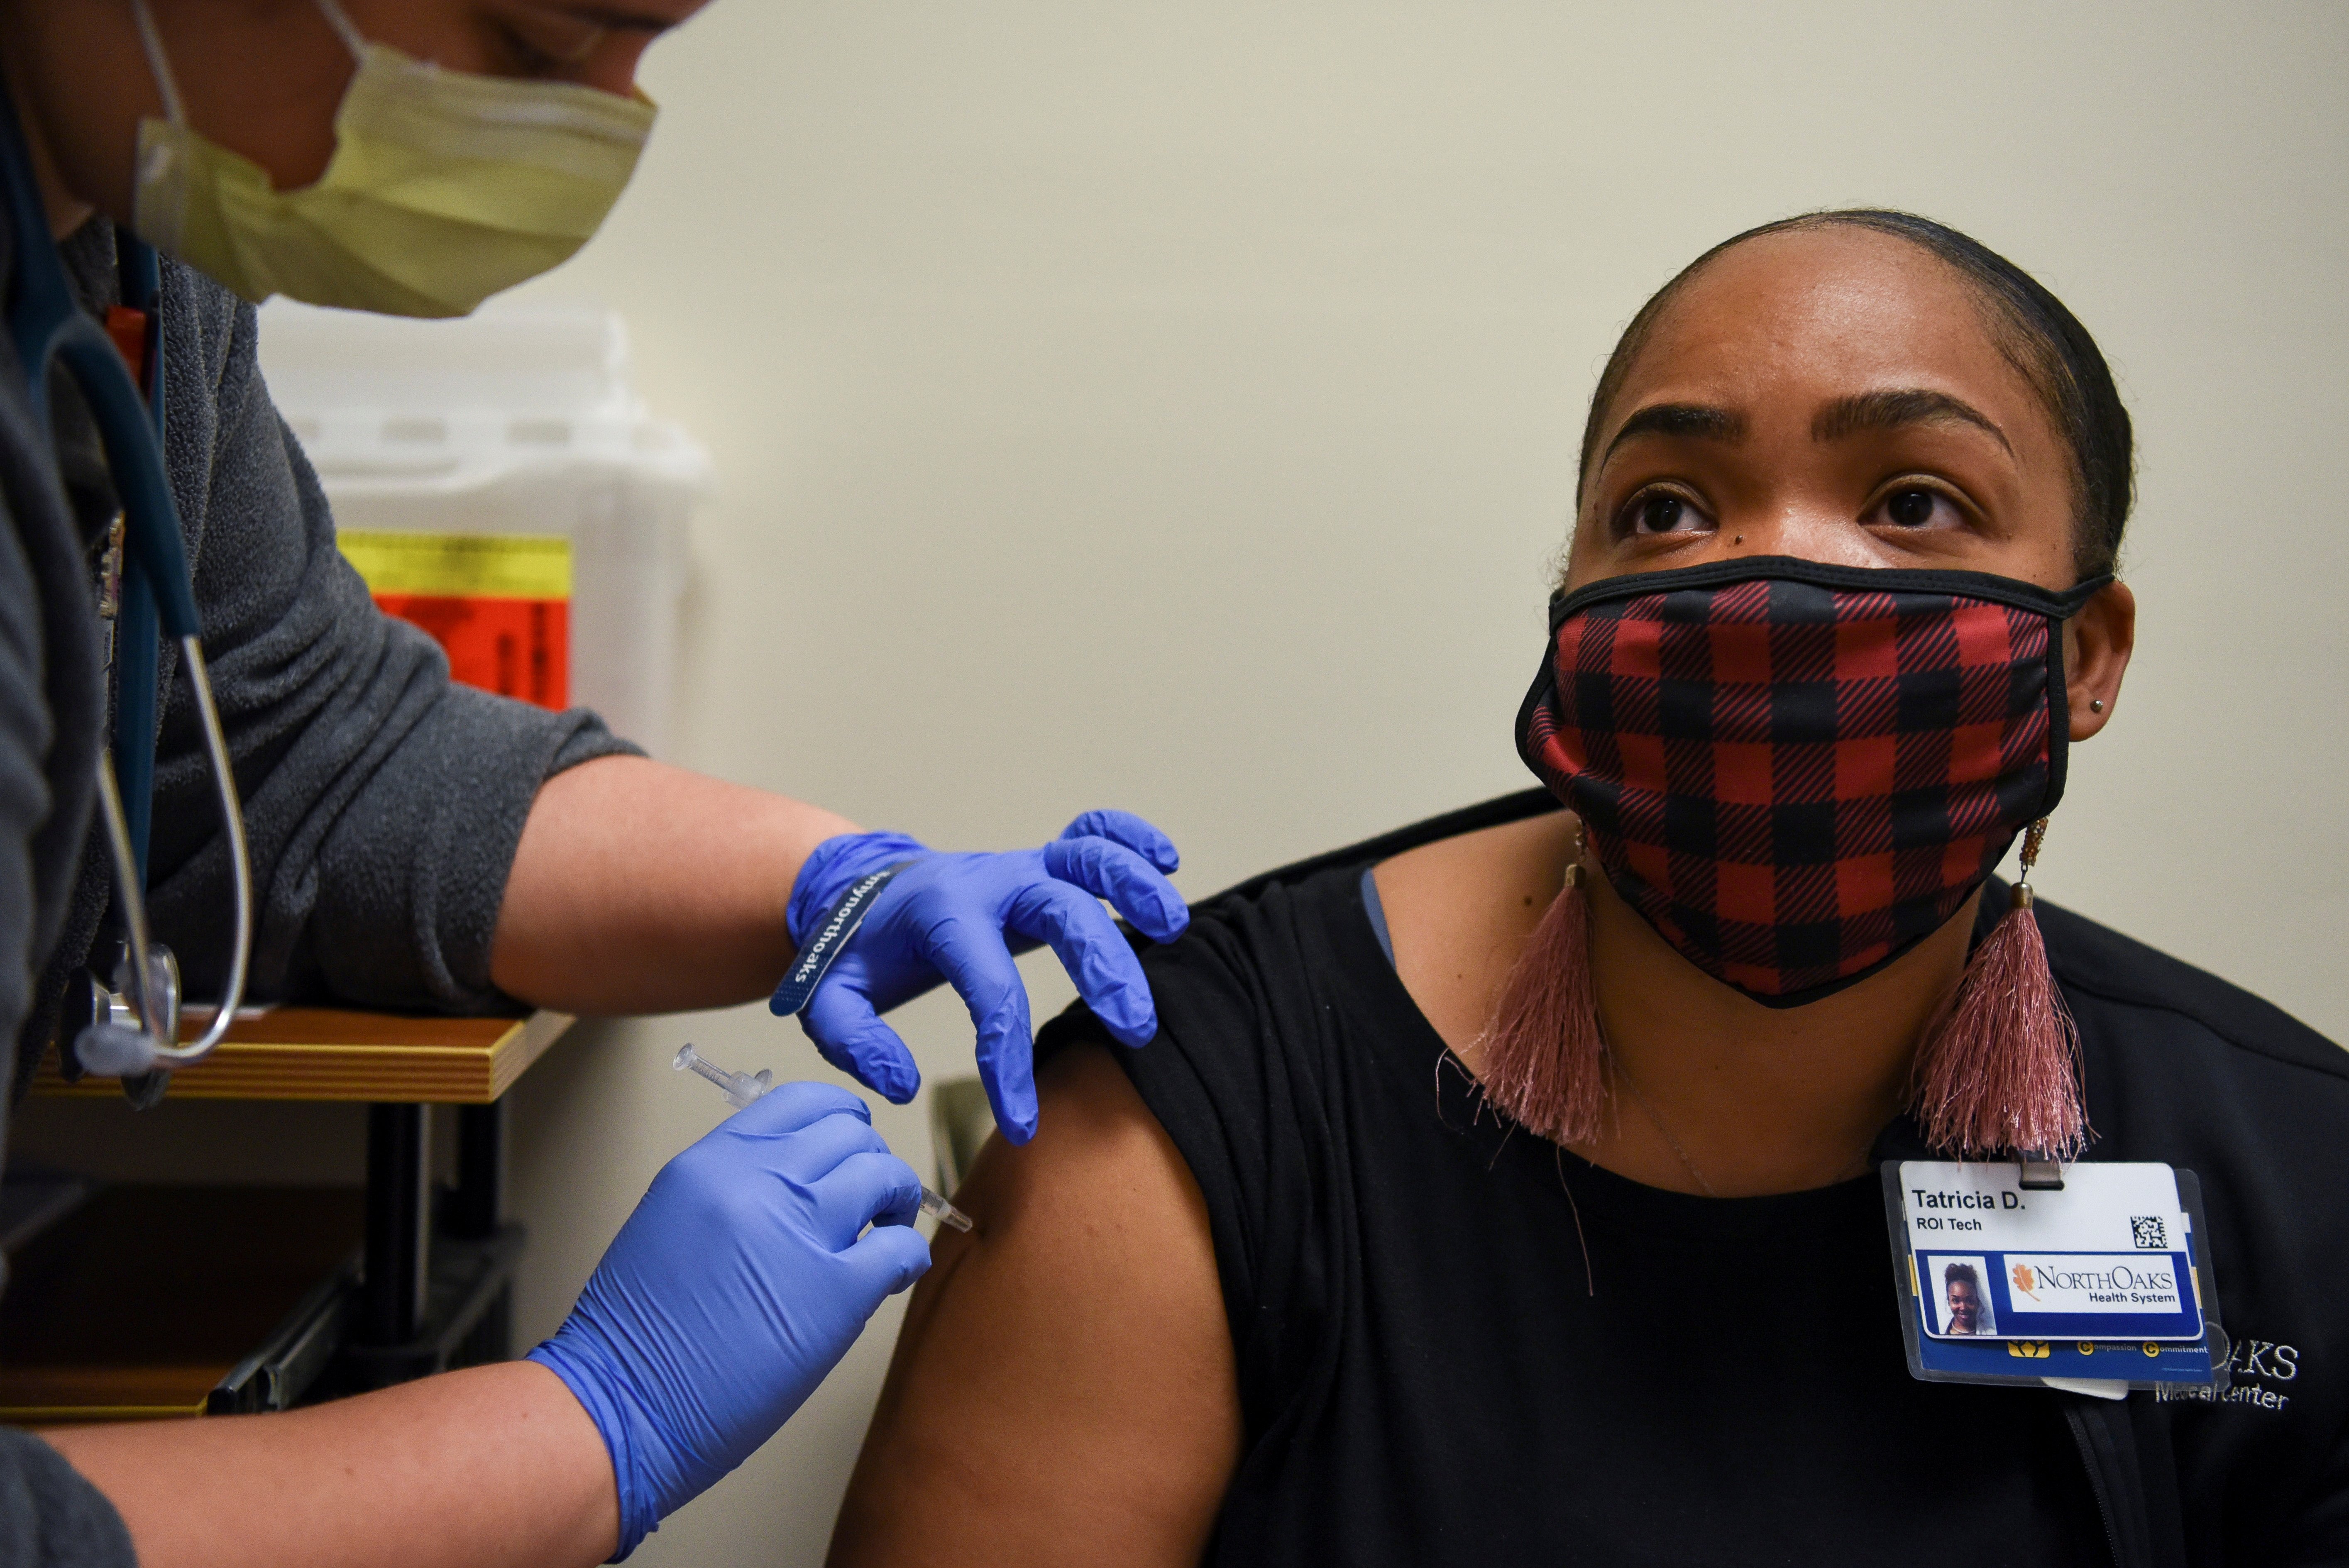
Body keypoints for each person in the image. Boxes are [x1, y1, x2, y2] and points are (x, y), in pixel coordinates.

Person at [828, 212, 2349, 1567]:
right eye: (1666, 507)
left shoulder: (2293, 1177)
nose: (1771, 574)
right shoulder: (1195, 1117)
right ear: (1569, 624)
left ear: (2082, 656)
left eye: (1908, 499)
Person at [0, 2, 1188, 1563]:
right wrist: (589, 1417)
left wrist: (826, 882)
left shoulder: (135, 244)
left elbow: (286, 738)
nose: (602, 119)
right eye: (543, 31)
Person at [1943, 1262, 1991, 1336]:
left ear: (1978, 1302)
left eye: (1970, 1301)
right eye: (1956, 1301)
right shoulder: (1937, 1335)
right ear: (1949, 1302)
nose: (1963, 1308)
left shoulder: (1993, 1334)